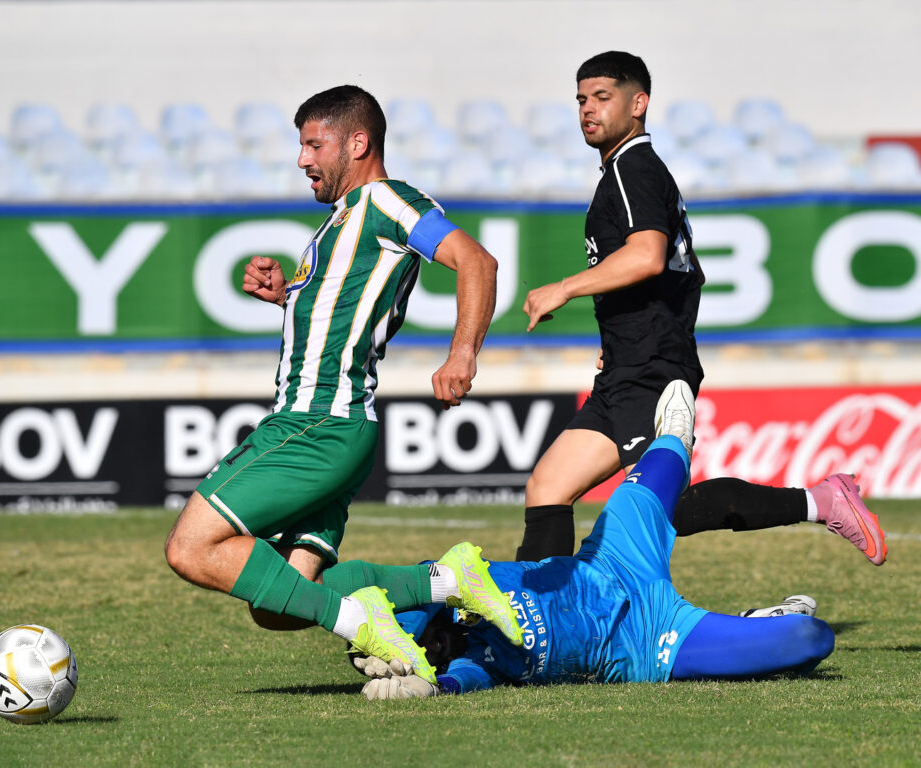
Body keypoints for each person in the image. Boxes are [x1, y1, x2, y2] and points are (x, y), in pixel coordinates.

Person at [164, 85, 520, 675]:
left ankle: (363, 626)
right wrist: (287, 297)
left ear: (357, 143)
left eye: (313, 145)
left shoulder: (385, 200)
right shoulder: (340, 223)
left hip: (314, 423)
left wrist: (463, 354)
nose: (302, 159)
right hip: (340, 427)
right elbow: (343, 314)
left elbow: (476, 261)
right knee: (279, 604)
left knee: (189, 547)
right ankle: (447, 580)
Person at [515, 51, 887, 567]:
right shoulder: (627, 172)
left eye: (602, 97)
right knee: (548, 486)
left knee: (664, 509)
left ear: (638, 104)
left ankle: (821, 501)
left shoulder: (633, 169)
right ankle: (538, 611)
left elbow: (647, 256)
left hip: (650, 368)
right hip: (629, 363)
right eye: (581, 100)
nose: (587, 109)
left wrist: (564, 288)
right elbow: (685, 272)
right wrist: (619, 334)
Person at [351, 381, 836, 699]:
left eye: (420, 643)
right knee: (809, 639)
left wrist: (391, 638)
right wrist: (423, 686)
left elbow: (419, 582)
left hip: (613, 558)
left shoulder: (455, 582)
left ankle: (675, 440)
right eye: (427, 655)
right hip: (644, 641)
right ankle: (755, 624)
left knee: (672, 440)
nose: (432, 650)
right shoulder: (476, 662)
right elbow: (458, 682)